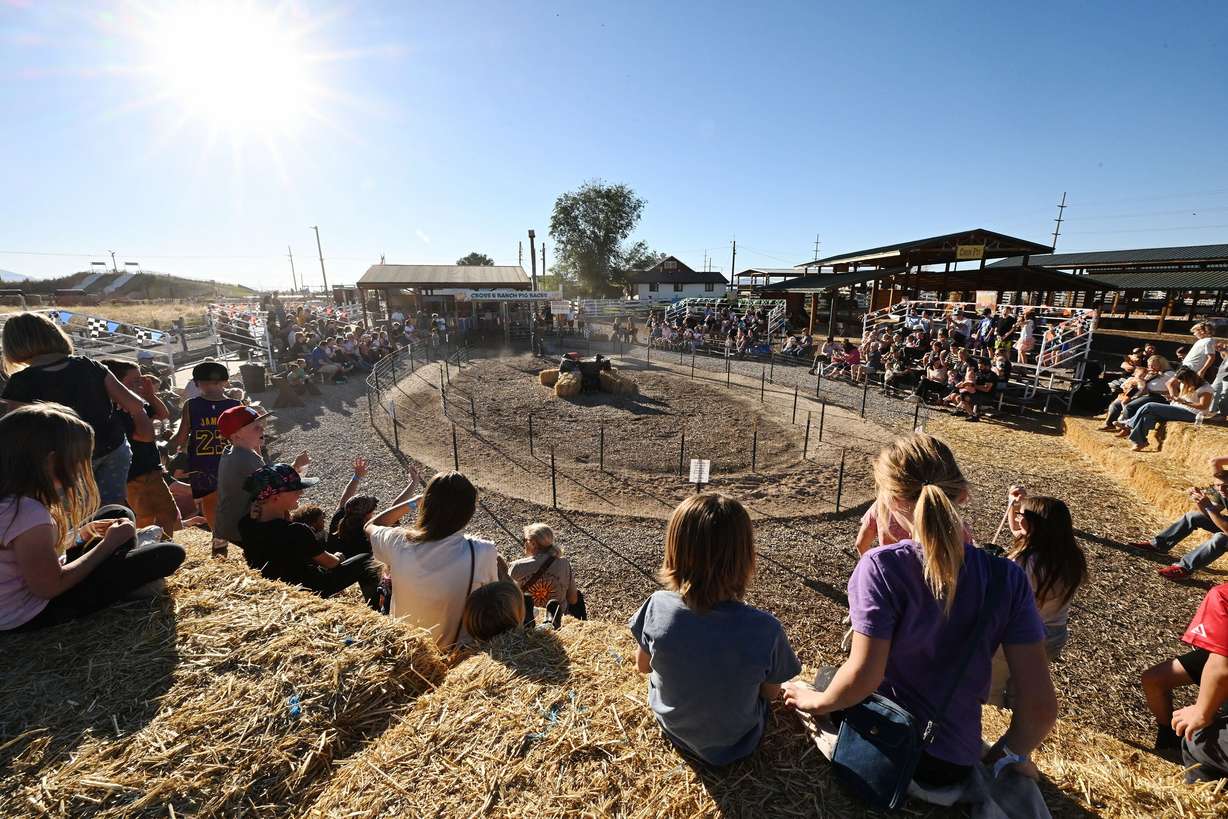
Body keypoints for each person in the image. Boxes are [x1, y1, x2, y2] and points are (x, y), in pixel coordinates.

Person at [782, 434, 1056, 790]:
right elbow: (1040, 706)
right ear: (962, 494)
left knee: (825, 680)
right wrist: (1007, 754)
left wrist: (816, 702)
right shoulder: (1008, 577)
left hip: (890, 744)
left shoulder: (880, 567)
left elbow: (863, 678)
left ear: (891, 499)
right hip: (952, 761)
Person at [628, 493, 801, 766]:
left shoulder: (657, 606)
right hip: (739, 744)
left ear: (674, 551)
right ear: (745, 558)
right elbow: (770, 693)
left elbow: (642, 666)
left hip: (674, 730)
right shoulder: (766, 629)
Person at [0, 403, 185, 631]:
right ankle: (128, 562)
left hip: (19, 595)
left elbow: (27, 554)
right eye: (78, 459)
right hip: (33, 613)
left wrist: (80, 536)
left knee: (118, 513)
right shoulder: (27, 512)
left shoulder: (12, 502)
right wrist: (109, 545)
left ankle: (124, 552)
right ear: (51, 462)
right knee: (169, 554)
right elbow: (49, 587)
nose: (81, 468)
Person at [1, 312, 152, 505]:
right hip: (111, 447)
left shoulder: (22, 381)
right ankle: (119, 522)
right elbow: (135, 404)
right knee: (113, 506)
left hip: (64, 459)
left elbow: (15, 429)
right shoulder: (90, 366)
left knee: (76, 513)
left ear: (14, 344)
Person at [364, 471, 500, 648]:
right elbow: (495, 602)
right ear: (469, 512)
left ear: (426, 506)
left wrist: (416, 501)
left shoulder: (398, 542)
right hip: (457, 657)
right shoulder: (482, 551)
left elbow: (371, 525)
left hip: (406, 651)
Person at [989, 490, 1088, 706]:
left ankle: (994, 716)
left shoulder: (1025, 561)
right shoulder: (1071, 556)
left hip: (1020, 634)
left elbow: (1004, 599)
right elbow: (1016, 530)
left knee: (991, 685)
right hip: (1054, 635)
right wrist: (1014, 504)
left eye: (1021, 515)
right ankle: (1018, 715)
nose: (1017, 519)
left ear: (1034, 524)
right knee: (1022, 687)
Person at [237, 464, 380, 607]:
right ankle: (377, 608)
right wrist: (339, 557)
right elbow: (330, 563)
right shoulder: (296, 531)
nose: (301, 493)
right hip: (310, 588)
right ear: (275, 497)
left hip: (276, 589)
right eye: (295, 490)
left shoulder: (245, 524)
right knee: (366, 560)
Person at [1139, 583, 1228, 777]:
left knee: (1199, 741)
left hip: (1222, 657)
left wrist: (1203, 711)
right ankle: (1168, 741)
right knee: (1153, 679)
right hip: (1220, 652)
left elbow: (1221, 670)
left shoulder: (1222, 596)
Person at [102, 359, 198, 535]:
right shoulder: (116, 411)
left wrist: (150, 395)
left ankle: (170, 542)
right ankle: (149, 545)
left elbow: (162, 414)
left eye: (140, 380)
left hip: (152, 469)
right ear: (115, 384)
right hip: (133, 474)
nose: (139, 384)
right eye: (134, 381)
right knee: (145, 517)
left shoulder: (137, 404)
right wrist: (141, 414)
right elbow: (144, 436)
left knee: (168, 512)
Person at [170, 362, 241, 557]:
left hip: (203, 462)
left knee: (210, 502)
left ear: (197, 383)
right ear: (225, 382)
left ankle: (218, 539)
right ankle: (237, 535)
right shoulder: (235, 405)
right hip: (230, 459)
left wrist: (170, 445)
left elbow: (182, 436)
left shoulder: (191, 405)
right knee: (234, 499)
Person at [1133, 469, 1228, 580]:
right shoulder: (1222, 492)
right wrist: (1200, 502)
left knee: (1221, 538)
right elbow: (1210, 514)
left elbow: (1226, 530)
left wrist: (1209, 507)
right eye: (1217, 485)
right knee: (1193, 516)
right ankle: (1159, 545)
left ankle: (1184, 568)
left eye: (1226, 486)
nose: (1221, 489)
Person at [1120, 367, 1214, 452]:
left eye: (1182, 381)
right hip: (1180, 408)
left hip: (1193, 414)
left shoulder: (1205, 389)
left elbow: (1203, 406)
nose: (1181, 383)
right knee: (1148, 415)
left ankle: (1129, 424)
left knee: (1149, 406)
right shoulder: (1186, 383)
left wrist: (1183, 402)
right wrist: (1173, 397)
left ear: (1189, 379)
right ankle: (1140, 442)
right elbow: (1171, 385)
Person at [509, 523, 580, 618]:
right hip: (559, 618)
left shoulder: (517, 567)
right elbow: (573, 599)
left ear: (533, 543)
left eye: (525, 540)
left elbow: (508, 601)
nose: (524, 544)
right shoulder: (564, 564)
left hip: (528, 620)